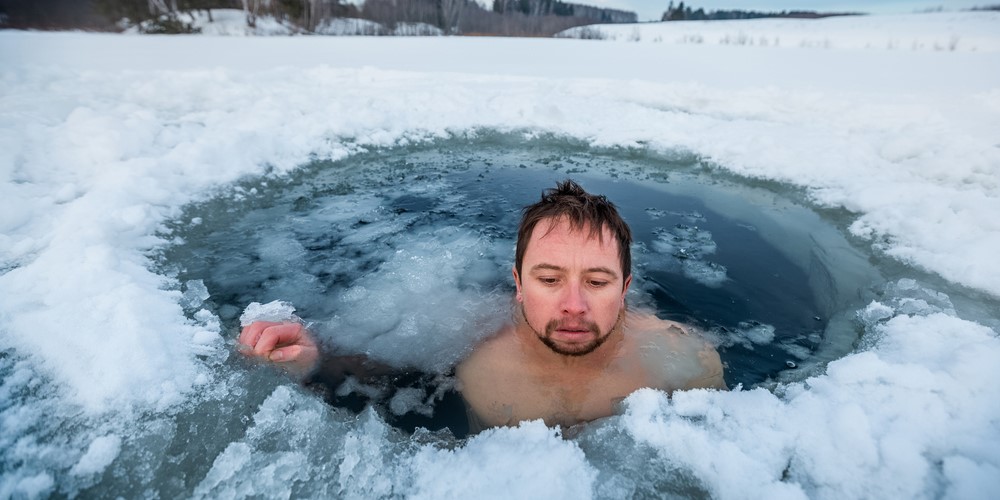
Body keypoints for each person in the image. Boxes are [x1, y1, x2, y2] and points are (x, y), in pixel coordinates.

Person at [238, 180, 726, 431]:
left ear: (625, 288)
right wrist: (311, 358)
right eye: (549, 278)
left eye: (597, 281)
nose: (573, 304)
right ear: (517, 283)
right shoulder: (470, 337)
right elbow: (377, 370)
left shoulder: (685, 359)